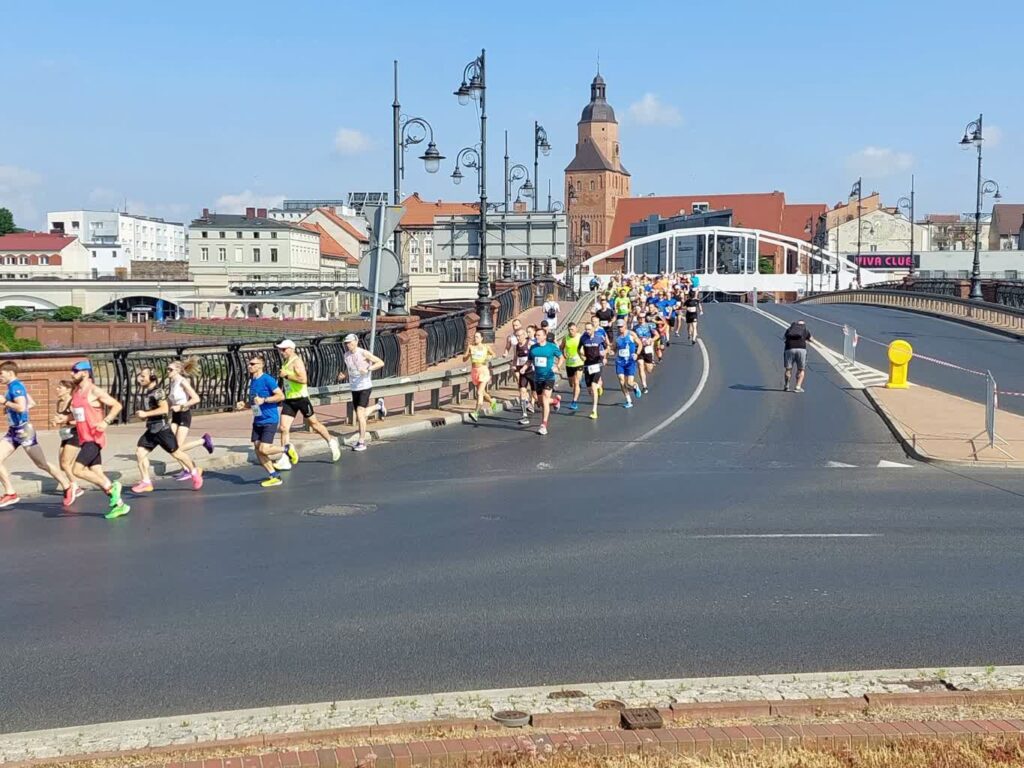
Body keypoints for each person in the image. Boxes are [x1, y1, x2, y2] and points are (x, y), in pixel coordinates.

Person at [0, 361, 76, 509]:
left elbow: (21, 407)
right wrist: (9, 409)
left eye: (1, 374)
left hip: (23, 431)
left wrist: (5, 403)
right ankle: (10, 493)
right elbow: (31, 403)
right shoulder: (13, 387)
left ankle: (68, 486)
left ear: (10, 373)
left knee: (41, 463)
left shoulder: (15, 387)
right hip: (14, 430)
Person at [69, 360, 130, 519]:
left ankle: (113, 487)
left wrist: (106, 421)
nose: (72, 373)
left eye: (75, 371)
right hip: (84, 438)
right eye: (72, 370)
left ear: (85, 373)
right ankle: (120, 505)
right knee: (97, 473)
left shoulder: (94, 391)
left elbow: (117, 405)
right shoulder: (75, 392)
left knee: (77, 470)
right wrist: (63, 419)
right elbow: (79, 416)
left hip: (94, 439)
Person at [131, 367, 204, 494]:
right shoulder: (148, 392)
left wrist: (145, 414)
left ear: (152, 378)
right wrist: (144, 415)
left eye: (143, 376)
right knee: (140, 452)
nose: (140, 378)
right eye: (140, 376)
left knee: (177, 453)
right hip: (152, 429)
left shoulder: (158, 392)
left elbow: (164, 410)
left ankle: (194, 472)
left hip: (162, 429)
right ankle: (146, 482)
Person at [276, 339, 341, 465]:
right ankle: (285, 457)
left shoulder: (297, 362)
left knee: (314, 424)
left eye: (283, 349)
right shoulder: (286, 361)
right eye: (280, 349)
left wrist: (286, 375)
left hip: (301, 398)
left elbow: (303, 379)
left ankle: (331, 441)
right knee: (284, 428)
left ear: (291, 349)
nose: (281, 352)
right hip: (289, 399)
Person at [236, 354, 288, 487]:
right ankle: (274, 476)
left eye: (253, 364)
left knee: (264, 449)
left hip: (270, 419)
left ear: (261, 365)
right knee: (258, 450)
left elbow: (280, 396)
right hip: (258, 419)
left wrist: (264, 400)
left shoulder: (267, 380)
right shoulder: (252, 380)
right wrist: (245, 405)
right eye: (249, 363)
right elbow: (255, 401)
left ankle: (286, 449)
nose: (249, 366)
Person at [167, 358, 214, 482]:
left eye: (170, 369)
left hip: (184, 415)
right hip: (175, 416)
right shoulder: (172, 382)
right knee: (169, 445)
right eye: (167, 369)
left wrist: (181, 406)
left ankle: (203, 441)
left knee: (177, 448)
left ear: (178, 370)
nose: (168, 371)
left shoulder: (183, 382)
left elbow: (196, 399)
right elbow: (170, 400)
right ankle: (186, 469)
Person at [337, 333, 385, 451]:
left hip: (365, 386)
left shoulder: (363, 353)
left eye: (350, 342)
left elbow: (380, 362)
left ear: (356, 341)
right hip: (354, 388)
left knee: (359, 414)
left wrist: (368, 369)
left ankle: (361, 442)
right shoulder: (346, 355)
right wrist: (344, 375)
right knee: (361, 414)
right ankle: (378, 406)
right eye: (346, 343)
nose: (348, 345)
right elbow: (350, 369)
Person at [52, 379, 84, 507]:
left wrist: (65, 422)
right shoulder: (60, 402)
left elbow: (80, 420)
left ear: (68, 389)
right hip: (64, 435)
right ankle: (75, 480)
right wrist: (56, 421)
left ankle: (75, 486)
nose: (57, 389)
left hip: (75, 434)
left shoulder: (73, 403)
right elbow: (60, 418)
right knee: (62, 464)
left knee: (65, 463)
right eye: (57, 387)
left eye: (60, 387)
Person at [527, 327, 562, 435]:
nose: (536, 337)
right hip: (538, 378)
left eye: (538, 335)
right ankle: (556, 401)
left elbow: (561, 357)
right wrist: (525, 367)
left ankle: (543, 425)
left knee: (546, 399)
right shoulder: (533, 348)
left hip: (549, 377)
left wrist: (558, 367)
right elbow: (529, 360)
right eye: (536, 335)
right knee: (541, 402)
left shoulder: (551, 347)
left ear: (544, 336)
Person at [464, 331, 501, 422]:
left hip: (483, 370)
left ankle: (476, 413)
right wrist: (468, 355)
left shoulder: (486, 347)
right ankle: (492, 401)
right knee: (483, 392)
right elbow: (464, 359)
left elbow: (493, 354)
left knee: (479, 393)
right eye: (474, 337)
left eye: (477, 337)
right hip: (474, 371)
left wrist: (489, 358)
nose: (475, 338)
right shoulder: (471, 347)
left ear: (481, 338)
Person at [579, 321, 607, 420]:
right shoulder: (583, 338)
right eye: (586, 329)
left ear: (593, 329)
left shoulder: (599, 338)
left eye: (589, 329)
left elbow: (606, 347)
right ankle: (599, 387)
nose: (587, 331)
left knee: (593, 386)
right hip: (588, 365)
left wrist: (604, 357)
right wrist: (581, 356)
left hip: (598, 364)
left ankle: (594, 410)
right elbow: (579, 349)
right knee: (590, 390)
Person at [614, 324, 641, 409]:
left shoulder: (631, 335)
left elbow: (640, 344)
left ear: (625, 326)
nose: (620, 328)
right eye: (618, 327)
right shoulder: (617, 337)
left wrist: (637, 354)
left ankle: (635, 386)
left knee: (629, 383)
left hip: (630, 361)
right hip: (620, 362)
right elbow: (614, 348)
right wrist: (610, 351)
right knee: (621, 381)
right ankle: (628, 400)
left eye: (621, 326)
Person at [560, 323, 584, 411]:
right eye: (570, 330)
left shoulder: (580, 337)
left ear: (576, 329)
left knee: (576, 382)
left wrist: (584, 355)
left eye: (573, 330)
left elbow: (587, 347)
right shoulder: (566, 338)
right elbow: (561, 347)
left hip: (579, 362)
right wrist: (563, 354)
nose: (571, 332)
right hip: (569, 363)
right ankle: (576, 386)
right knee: (571, 384)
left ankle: (574, 401)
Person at [513, 327, 534, 426]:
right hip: (523, 372)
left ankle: (555, 402)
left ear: (524, 335)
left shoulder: (530, 344)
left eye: (519, 336)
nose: (517, 338)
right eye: (516, 336)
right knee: (522, 390)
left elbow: (535, 357)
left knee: (537, 397)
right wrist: (514, 365)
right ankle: (524, 415)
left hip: (532, 371)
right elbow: (515, 357)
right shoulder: (516, 346)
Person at [783, 319, 812, 393]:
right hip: (801, 350)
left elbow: (784, 338)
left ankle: (786, 386)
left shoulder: (789, 330)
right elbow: (811, 339)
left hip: (789, 349)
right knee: (801, 369)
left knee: (788, 369)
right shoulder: (805, 330)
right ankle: (797, 387)